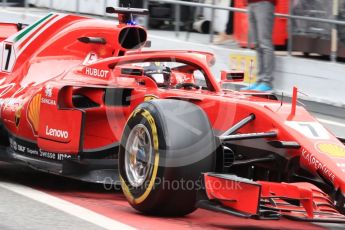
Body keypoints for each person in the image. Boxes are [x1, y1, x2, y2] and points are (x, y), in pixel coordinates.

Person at [241, 0, 276, 92]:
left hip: (264, 3)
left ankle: (267, 82)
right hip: (251, 3)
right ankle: (260, 80)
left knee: (265, 43)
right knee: (257, 45)